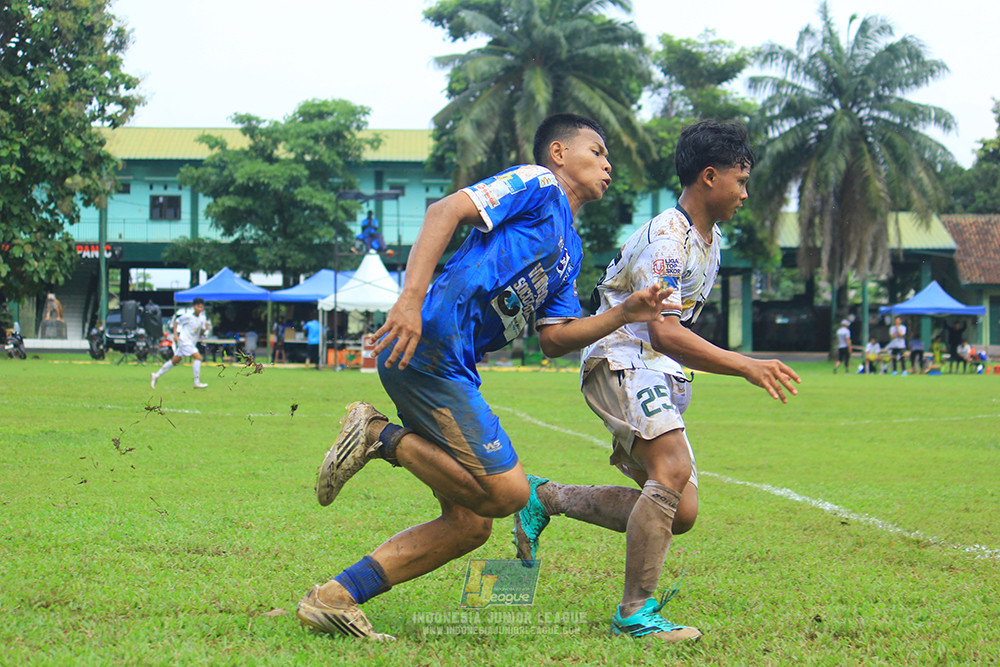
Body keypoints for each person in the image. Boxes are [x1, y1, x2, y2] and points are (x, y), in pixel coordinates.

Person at [295, 113, 673, 642]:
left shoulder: (572, 250)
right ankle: (379, 436)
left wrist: (625, 312)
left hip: (452, 365)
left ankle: (335, 597)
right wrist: (408, 301)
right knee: (509, 494)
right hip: (431, 343)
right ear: (559, 153)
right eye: (598, 151)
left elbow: (555, 337)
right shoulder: (539, 184)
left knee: (470, 524)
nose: (608, 165)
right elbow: (445, 209)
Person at [511, 120, 800, 643]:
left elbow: (669, 336)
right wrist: (747, 365)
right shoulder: (669, 238)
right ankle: (634, 611)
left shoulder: (708, 239)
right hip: (621, 356)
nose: (745, 192)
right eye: (741, 180)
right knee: (671, 470)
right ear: (709, 177)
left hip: (652, 365)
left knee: (679, 510)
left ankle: (546, 498)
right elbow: (664, 333)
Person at [150, 298, 209, 389]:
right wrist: (175, 335)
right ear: (194, 307)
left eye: (201, 307)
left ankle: (156, 375)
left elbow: (201, 332)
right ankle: (196, 382)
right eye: (198, 306)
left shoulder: (202, 318)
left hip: (191, 342)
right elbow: (176, 321)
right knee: (198, 357)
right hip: (184, 341)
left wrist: (205, 328)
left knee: (174, 361)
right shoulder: (188, 316)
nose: (200, 308)